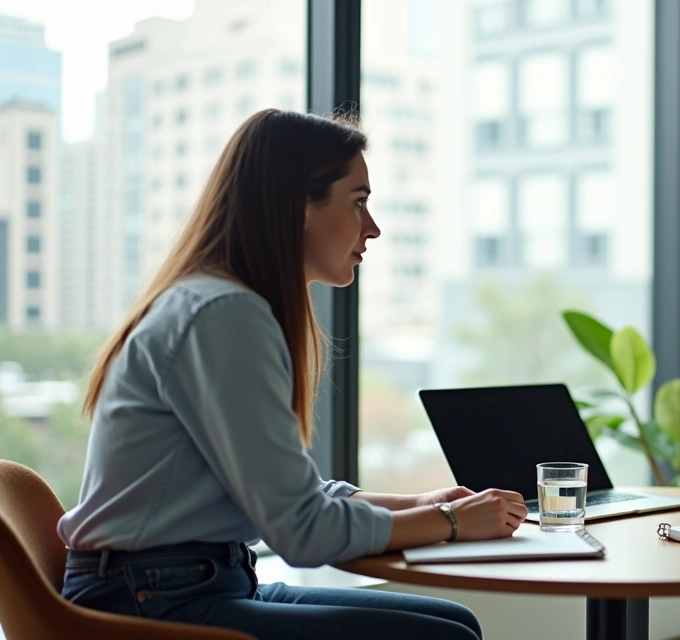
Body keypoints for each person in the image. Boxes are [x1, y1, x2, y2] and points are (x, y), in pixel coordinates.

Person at [58, 109, 528, 640]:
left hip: (187, 584)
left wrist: (422, 504)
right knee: (446, 638)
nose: (372, 228)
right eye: (358, 203)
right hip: (146, 602)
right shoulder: (223, 316)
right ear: (299, 205)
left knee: (454, 623)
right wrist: (452, 525)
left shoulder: (223, 304)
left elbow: (292, 496)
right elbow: (303, 531)